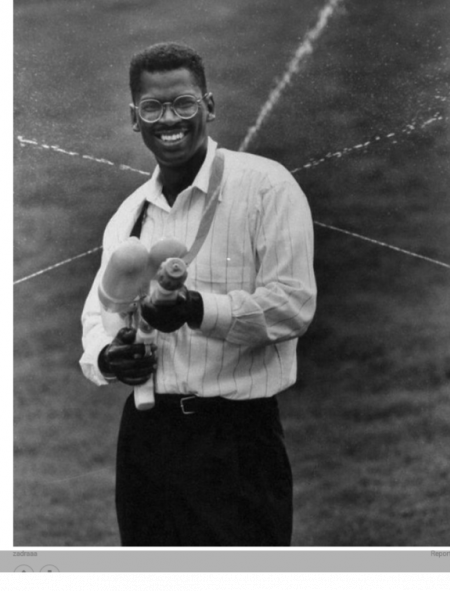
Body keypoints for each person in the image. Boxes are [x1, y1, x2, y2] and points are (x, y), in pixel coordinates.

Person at [80, 42, 317, 546]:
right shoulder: (128, 216)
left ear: (208, 106)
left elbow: (293, 304)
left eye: (184, 103)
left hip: (236, 441)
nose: (170, 119)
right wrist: (108, 357)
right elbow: (98, 312)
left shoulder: (266, 187)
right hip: (147, 442)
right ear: (134, 117)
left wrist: (195, 309)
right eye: (153, 108)